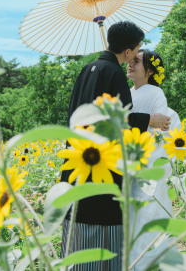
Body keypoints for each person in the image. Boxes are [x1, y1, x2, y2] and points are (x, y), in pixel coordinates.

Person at [60, 20, 170, 271]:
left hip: (77, 161)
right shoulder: (113, 74)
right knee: (102, 243)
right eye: (137, 49)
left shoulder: (88, 68)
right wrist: (149, 120)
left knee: (76, 240)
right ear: (128, 51)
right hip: (100, 168)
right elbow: (117, 123)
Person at [126, 49, 181, 270]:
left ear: (149, 71)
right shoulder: (128, 93)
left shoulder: (156, 96)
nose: (130, 64)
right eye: (130, 60)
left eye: (136, 61)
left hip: (142, 166)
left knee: (144, 220)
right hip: (136, 166)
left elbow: (161, 139)